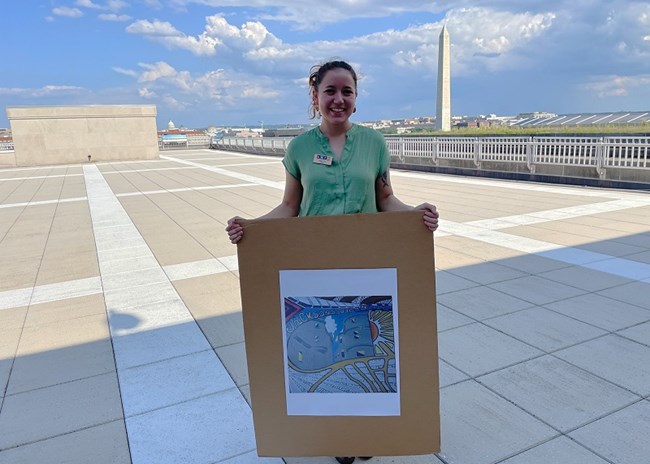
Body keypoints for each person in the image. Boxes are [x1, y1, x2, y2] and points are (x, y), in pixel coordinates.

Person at [225, 60, 439, 463]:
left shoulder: (375, 144)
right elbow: (290, 206)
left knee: (363, 347)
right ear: (315, 96)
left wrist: (416, 215)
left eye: (347, 92)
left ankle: (365, 430)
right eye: (330, 91)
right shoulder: (300, 148)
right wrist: (249, 228)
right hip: (315, 269)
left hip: (367, 265)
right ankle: (337, 434)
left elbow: (385, 199)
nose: (338, 99)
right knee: (329, 353)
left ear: (356, 100)